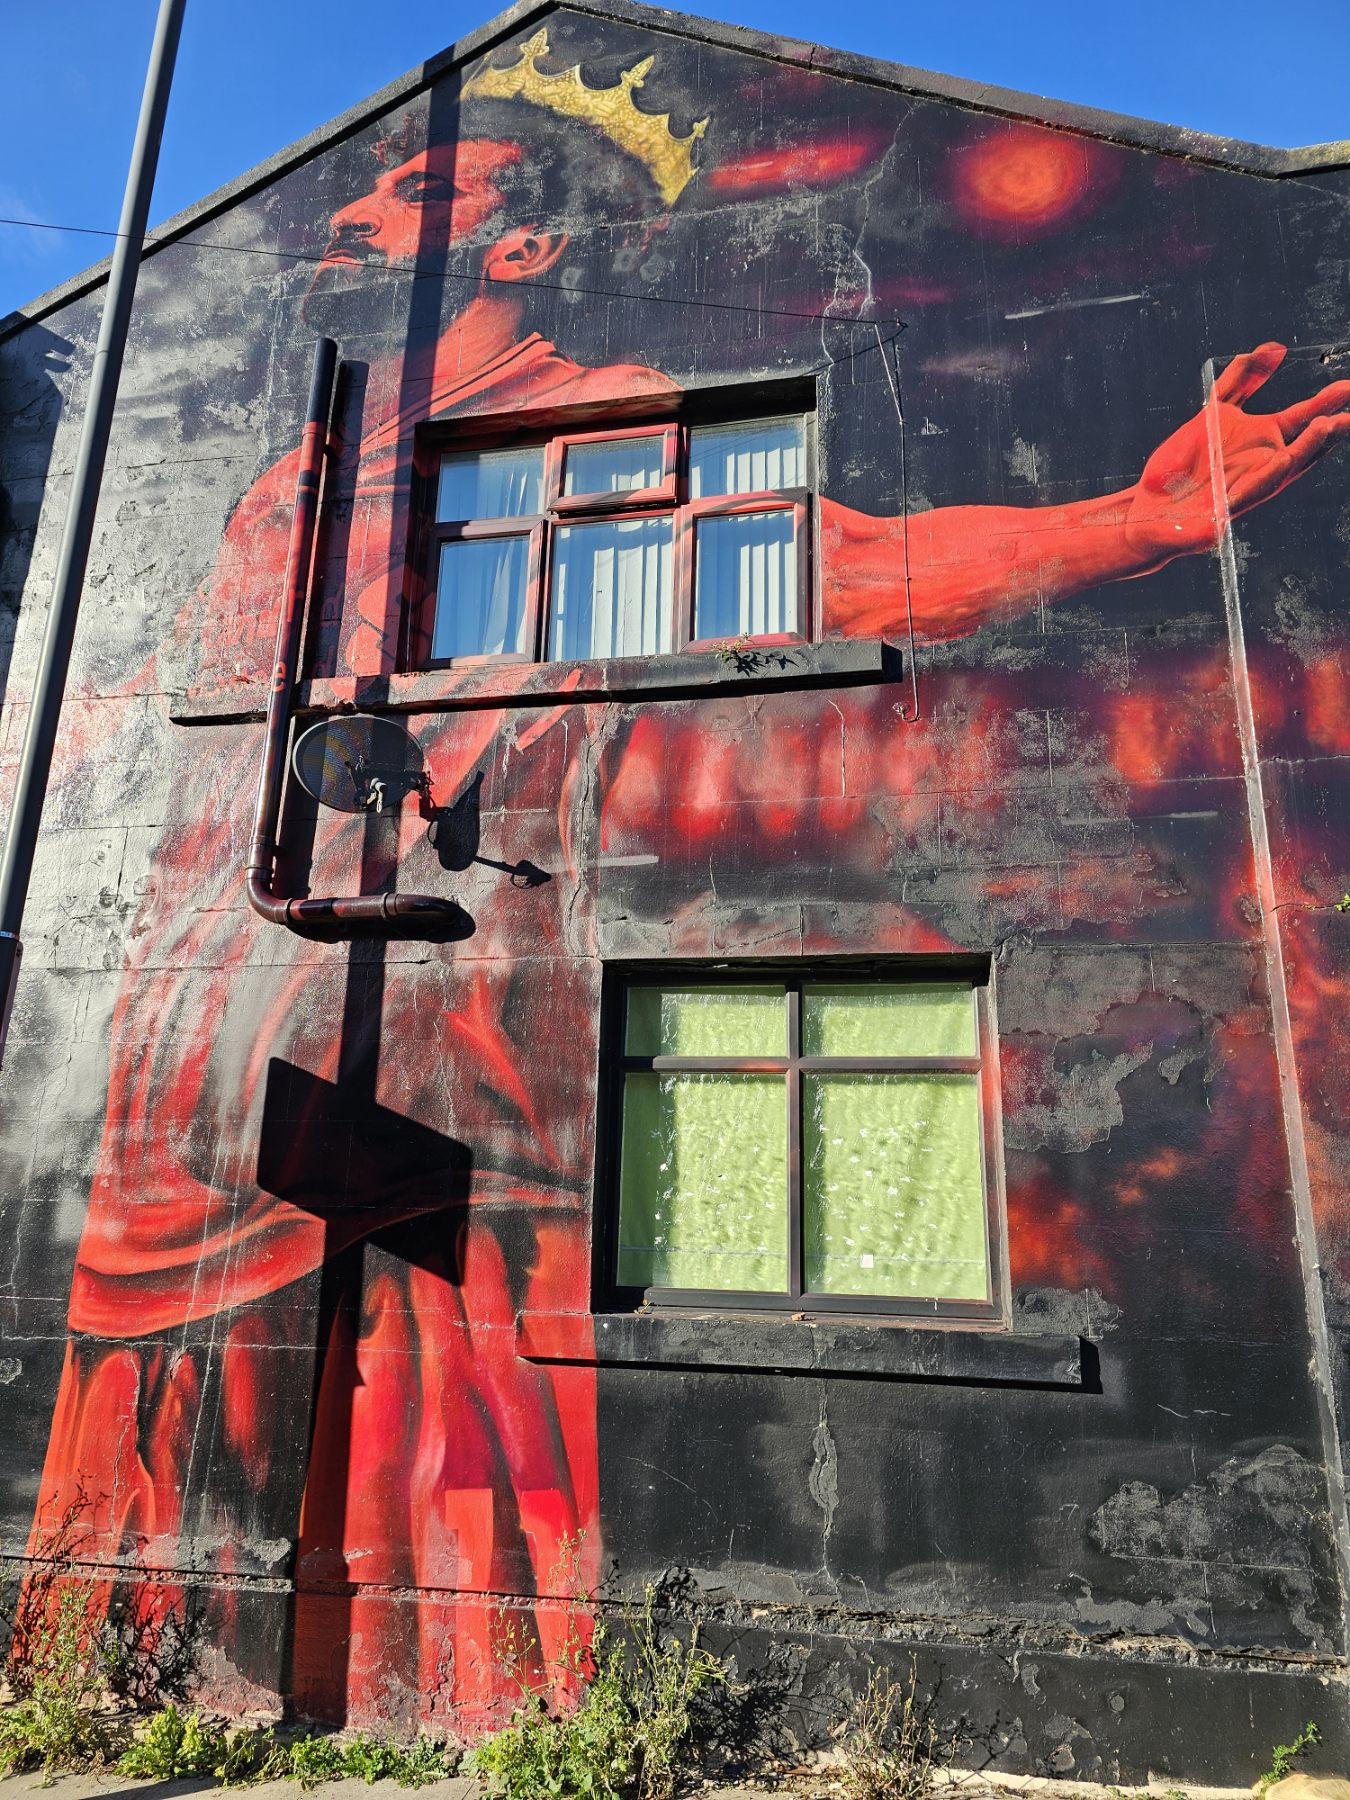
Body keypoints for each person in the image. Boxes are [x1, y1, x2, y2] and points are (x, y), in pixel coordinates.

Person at [28, 29, 1350, 1732]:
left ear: (521, 242)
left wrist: (1129, 526)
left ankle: (469, 1684)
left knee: (431, 1363)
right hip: (183, 1021)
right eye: (370, 185)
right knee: (163, 1402)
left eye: (416, 187)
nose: (355, 207)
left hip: (442, 978)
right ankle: (121, 1672)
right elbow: (144, 700)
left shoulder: (590, 425)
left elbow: (847, 563)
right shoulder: (296, 473)